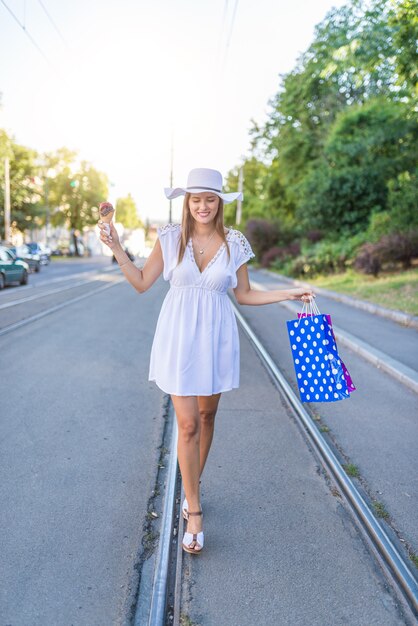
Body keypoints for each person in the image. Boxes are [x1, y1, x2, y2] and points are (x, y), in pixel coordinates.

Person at [97, 168, 314, 555]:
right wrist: (117, 248)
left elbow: (244, 296)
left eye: (209, 199)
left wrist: (290, 293)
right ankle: (193, 508)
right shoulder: (169, 237)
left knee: (208, 417)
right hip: (178, 338)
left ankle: (192, 482)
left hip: (215, 339)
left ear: (220, 203)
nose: (202, 206)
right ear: (187, 202)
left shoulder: (234, 243)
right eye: (195, 199)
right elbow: (143, 281)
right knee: (187, 423)